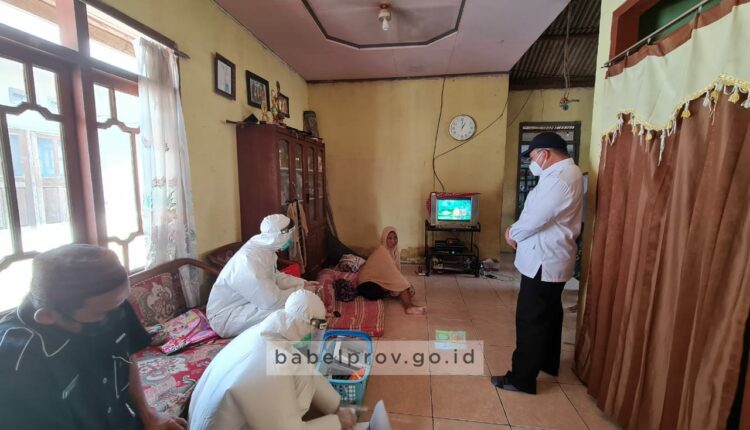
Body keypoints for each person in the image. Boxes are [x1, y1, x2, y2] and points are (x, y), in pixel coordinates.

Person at [0, 244, 186, 429]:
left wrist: (148, 416)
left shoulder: (112, 305)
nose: (119, 316)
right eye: (102, 314)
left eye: (121, 302)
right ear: (47, 316)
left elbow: (126, 355)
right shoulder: (15, 363)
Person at [492, 132, 583, 394]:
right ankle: (547, 362)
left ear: (545, 154)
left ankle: (521, 379)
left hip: (544, 260)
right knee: (549, 314)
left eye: (533, 157)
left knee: (530, 319)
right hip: (551, 258)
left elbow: (537, 218)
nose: (532, 163)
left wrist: (513, 233)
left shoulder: (560, 179)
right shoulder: (567, 174)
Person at [189, 290, 357, 430]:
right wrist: (337, 423)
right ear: (306, 327)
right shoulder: (271, 367)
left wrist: (337, 406)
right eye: (316, 330)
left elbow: (305, 368)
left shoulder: (267, 331)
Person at [207, 214, 320, 338]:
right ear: (281, 236)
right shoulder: (248, 260)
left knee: (298, 304)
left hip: (250, 302)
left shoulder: (265, 249)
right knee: (292, 308)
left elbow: (276, 277)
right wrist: (300, 291)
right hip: (226, 317)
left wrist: (302, 284)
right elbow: (272, 301)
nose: (291, 239)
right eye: (289, 235)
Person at [357, 227, 425, 315]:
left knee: (398, 286)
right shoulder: (382, 252)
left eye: (395, 237)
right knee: (399, 285)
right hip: (366, 284)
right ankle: (409, 307)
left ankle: (408, 304)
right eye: (389, 238)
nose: (393, 241)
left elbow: (395, 272)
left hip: (376, 281)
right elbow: (394, 275)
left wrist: (403, 284)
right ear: (384, 239)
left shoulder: (394, 251)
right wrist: (407, 285)